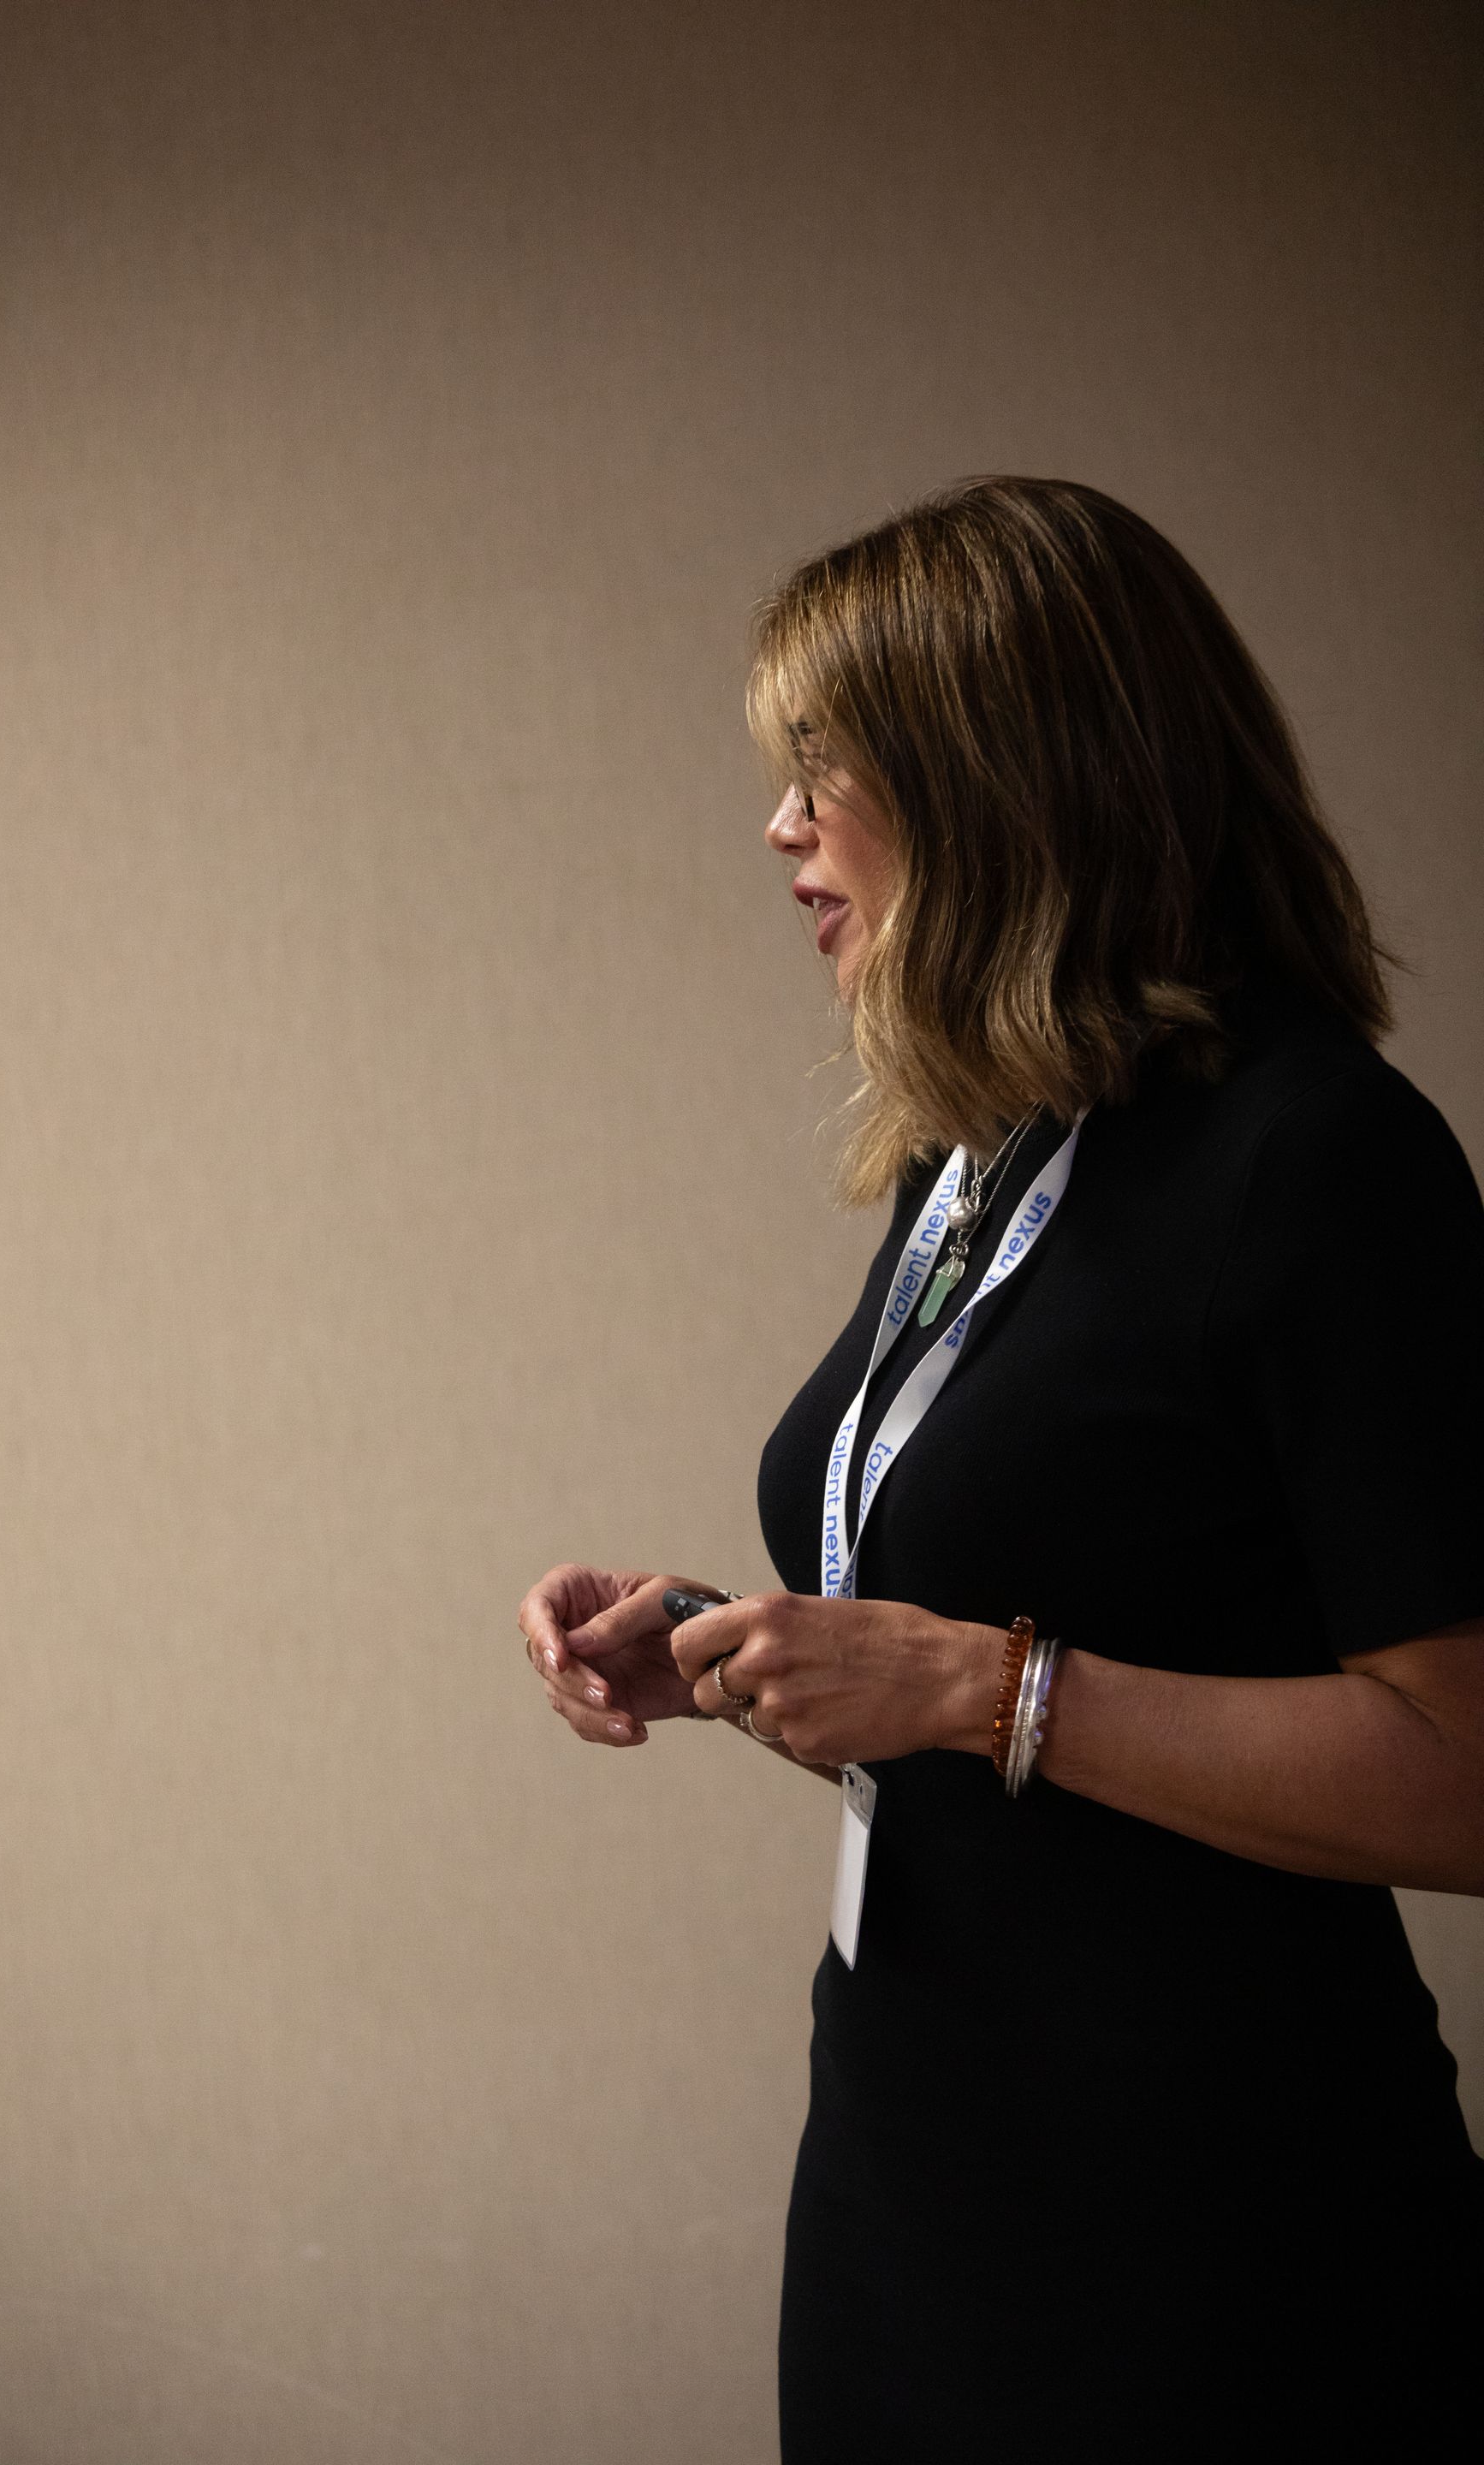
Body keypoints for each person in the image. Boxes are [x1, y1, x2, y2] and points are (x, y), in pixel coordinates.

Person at [517, 478, 1484, 2456]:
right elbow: (1021, 1636)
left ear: (1003, 778)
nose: (781, 826)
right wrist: (730, 1650)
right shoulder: (988, 1151)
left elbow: (1466, 1772)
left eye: (827, 766)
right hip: (915, 2170)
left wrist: (982, 1687)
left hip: (1218, 2241)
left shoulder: (1319, 1159)